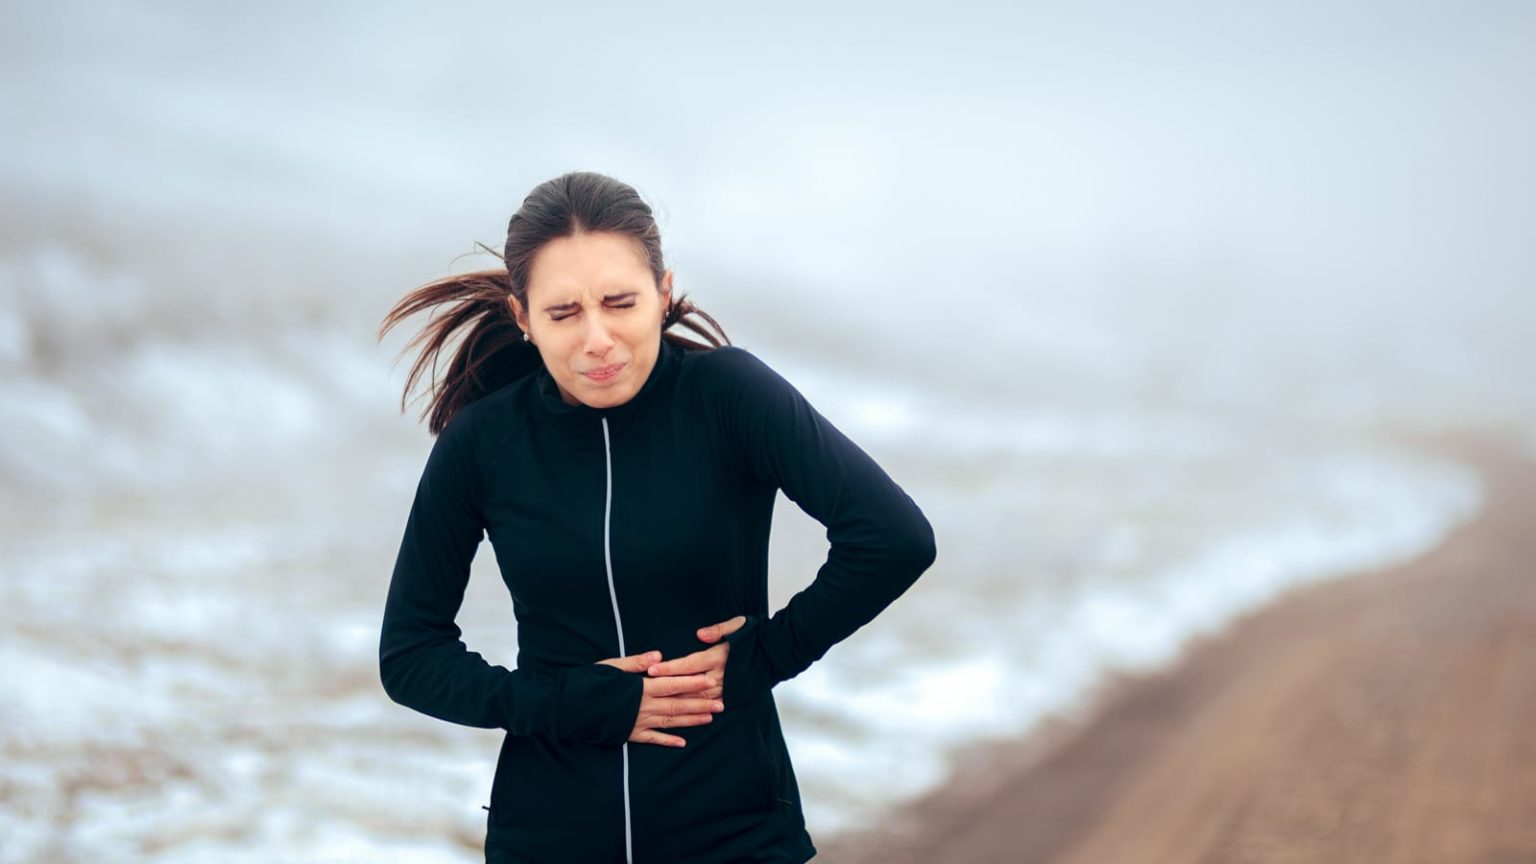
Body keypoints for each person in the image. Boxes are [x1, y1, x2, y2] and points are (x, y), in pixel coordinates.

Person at [376, 170, 937, 864]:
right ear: (522, 317)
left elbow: (893, 538)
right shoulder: (486, 442)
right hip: (551, 834)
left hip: (735, 830)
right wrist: (565, 704)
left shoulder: (729, 398)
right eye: (564, 313)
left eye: (620, 303)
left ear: (663, 293)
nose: (598, 338)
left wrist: (765, 655)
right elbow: (410, 655)